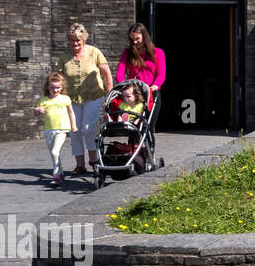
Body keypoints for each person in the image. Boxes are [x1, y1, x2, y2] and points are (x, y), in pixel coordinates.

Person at [56, 23, 113, 173]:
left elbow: (106, 71)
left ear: (84, 40)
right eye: (72, 40)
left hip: (93, 95)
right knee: (75, 130)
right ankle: (80, 164)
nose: (75, 43)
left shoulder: (94, 52)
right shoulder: (64, 57)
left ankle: (93, 159)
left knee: (88, 128)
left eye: (78, 41)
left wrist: (110, 90)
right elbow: (59, 77)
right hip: (71, 97)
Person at [114, 22, 166, 131]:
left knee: (147, 125)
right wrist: (124, 87)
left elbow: (161, 74)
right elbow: (120, 73)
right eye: (132, 39)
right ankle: (132, 147)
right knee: (132, 126)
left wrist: (155, 85)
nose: (135, 42)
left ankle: (146, 146)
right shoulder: (127, 53)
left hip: (151, 92)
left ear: (145, 37)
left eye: (137, 38)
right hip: (134, 93)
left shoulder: (158, 52)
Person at [33, 72, 78, 187]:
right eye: (52, 87)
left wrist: (74, 125)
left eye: (58, 87)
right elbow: (35, 114)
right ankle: (60, 173)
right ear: (47, 87)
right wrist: (37, 110)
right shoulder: (43, 100)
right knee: (53, 154)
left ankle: (56, 175)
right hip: (48, 130)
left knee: (55, 152)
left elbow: (71, 112)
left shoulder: (65, 98)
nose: (55, 90)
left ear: (62, 87)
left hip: (62, 129)